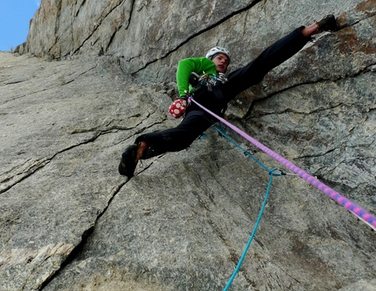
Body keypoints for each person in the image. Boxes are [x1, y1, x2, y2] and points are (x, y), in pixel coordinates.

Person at [118, 15, 338, 177]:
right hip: (206, 100)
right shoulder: (204, 70)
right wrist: (184, 95)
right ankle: (142, 146)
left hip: (210, 106)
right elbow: (184, 64)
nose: (223, 61)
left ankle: (143, 148)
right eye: (219, 57)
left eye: (225, 59)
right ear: (210, 59)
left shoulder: (221, 76)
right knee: (256, 68)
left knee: (184, 136)